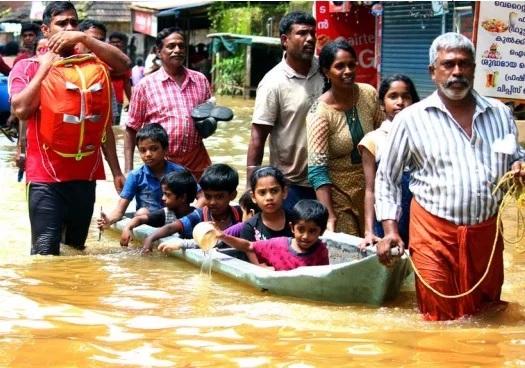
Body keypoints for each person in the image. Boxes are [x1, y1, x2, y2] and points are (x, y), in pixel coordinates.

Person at [375, 32, 525, 321]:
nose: (457, 72)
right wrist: (391, 231)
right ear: (433, 71)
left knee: (488, 314)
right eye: (448, 64)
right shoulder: (410, 118)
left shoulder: (500, 113)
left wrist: (520, 168)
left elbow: (516, 160)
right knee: (437, 318)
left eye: (464, 64)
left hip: (487, 234)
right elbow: (387, 178)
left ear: (474, 69)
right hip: (433, 232)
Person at [9, 1, 131, 255]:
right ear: (46, 30)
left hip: (85, 177)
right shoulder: (27, 67)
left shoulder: (92, 66)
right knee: (45, 254)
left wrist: (117, 170)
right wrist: (46, 65)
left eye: (74, 22)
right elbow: (20, 110)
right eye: (62, 23)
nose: (69, 28)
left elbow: (123, 66)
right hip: (46, 179)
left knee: (75, 251)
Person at [247, 11, 323, 210]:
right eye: (302, 33)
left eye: (313, 33)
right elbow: (258, 136)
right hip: (292, 183)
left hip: (328, 179)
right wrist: (250, 187)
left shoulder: (327, 71)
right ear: (284, 40)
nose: (310, 39)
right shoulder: (272, 83)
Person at [306, 39, 382, 236]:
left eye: (351, 65)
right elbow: (317, 170)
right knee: (349, 252)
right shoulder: (319, 113)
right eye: (340, 66)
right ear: (325, 71)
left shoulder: (368, 93)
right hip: (339, 194)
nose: (347, 71)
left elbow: (383, 136)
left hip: (371, 187)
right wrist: (329, 215)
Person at [126, 27, 212, 180]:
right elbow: (132, 129)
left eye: (181, 46)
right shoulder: (145, 86)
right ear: (159, 51)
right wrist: (129, 170)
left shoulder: (200, 80)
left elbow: (205, 120)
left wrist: (211, 123)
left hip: (197, 163)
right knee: (163, 204)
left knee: (205, 203)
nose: (177, 50)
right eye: (171, 46)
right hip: (161, 167)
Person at [357, 74, 419, 248]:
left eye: (406, 96)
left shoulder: (422, 138)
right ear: (382, 105)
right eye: (393, 96)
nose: (400, 102)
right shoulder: (373, 140)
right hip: (386, 219)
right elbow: (370, 190)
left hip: (418, 218)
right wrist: (369, 231)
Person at [97, 123, 196, 228]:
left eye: (154, 149)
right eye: (143, 150)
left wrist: (192, 217)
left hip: (174, 218)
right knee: (141, 212)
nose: (148, 154)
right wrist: (108, 220)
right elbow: (120, 210)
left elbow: (201, 196)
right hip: (148, 220)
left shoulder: (179, 171)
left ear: (165, 149)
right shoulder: (135, 176)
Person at [142, 163, 243, 253]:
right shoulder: (199, 215)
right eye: (208, 196)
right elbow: (172, 227)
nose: (212, 202)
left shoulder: (241, 214)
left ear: (232, 195)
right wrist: (150, 238)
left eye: (219, 197)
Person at [215, 199, 330, 271]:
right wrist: (223, 236)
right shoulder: (278, 244)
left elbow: (324, 277)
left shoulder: (321, 250)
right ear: (292, 228)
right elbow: (249, 246)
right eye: (301, 229)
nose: (305, 236)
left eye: (312, 231)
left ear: (322, 231)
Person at [115, 170, 198, 247]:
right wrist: (127, 228)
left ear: (183, 197)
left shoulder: (197, 216)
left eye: (167, 194)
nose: (163, 198)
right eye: (163, 194)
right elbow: (139, 219)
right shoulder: (166, 213)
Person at [240, 166, 292, 241]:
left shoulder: (296, 220)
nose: (269, 197)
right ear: (253, 197)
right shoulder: (250, 228)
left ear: (284, 192)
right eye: (262, 192)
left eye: (274, 191)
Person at [108, 31, 132, 125]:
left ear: (123, 44)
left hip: (118, 101)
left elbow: (127, 83)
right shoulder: (102, 56)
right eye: (112, 42)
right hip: (103, 99)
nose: (115, 44)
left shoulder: (125, 60)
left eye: (118, 42)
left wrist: (132, 102)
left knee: (114, 128)